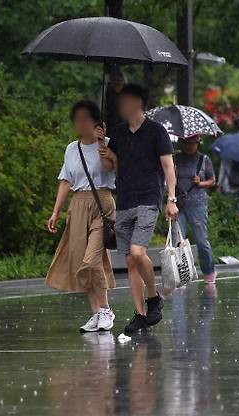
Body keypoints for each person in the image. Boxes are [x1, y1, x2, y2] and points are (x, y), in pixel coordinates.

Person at [97, 84, 178, 333]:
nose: (122, 105)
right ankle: (141, 314)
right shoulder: (119, 134)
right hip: (125, 200)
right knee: (131, 261)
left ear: (138, 103)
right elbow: (110, 167)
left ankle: (153, 297)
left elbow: (168, 167)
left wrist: (171, 198)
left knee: (137, 251)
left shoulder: (156, 131)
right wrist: (103, 145)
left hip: (148, 198)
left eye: (126, 100)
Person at [45, 100, 117, 333]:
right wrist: (56, 211)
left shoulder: (107, 144)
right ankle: (96, 313)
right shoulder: (71, 148)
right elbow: (66, 180)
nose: (80, 123)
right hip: (78, 204)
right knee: (80, 262)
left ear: (96, 121)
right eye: (76, 118)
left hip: (101, 203)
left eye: (85, 117)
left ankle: (106, 309)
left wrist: (101, 144)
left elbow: (108, 169)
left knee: (91, 259)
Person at [175, 134, 217, 284]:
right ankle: (181, 275)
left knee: (201, 241)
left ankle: (209, 270)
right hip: (179, 204)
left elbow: (213, 180)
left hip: (198, 204)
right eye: (185, 143)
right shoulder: (175, 159)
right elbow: (169, 179)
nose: (188, 146)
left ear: (198, 143)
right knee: (178, 241)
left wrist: (201, 183)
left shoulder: (204, 159)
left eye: (191, 143)